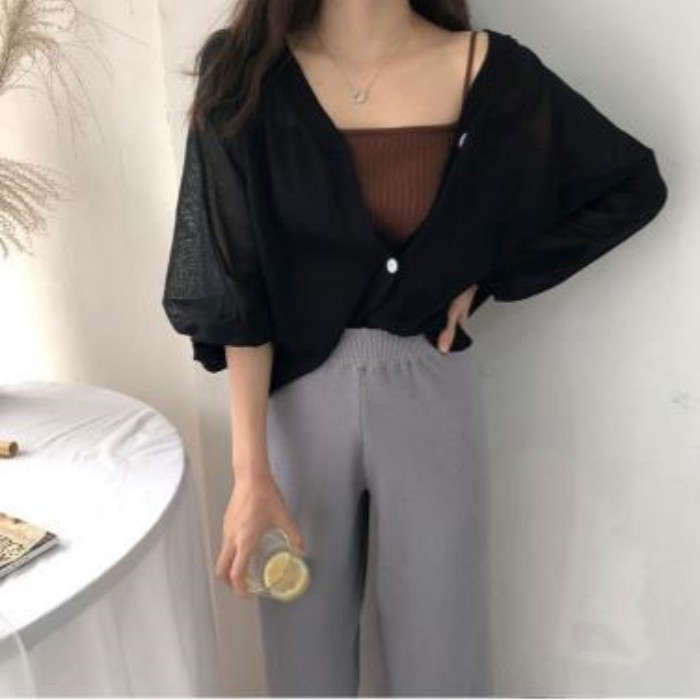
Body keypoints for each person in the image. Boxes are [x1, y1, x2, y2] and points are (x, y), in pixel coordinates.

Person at [161, 0, 668, 695]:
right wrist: (249, 473)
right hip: (294, 409)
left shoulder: (488, 70)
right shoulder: (245, 74)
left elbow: (630, 184)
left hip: (431, 395)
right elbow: (237, 289)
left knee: (443, 656)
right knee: (300, 654)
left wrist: (490, 276)